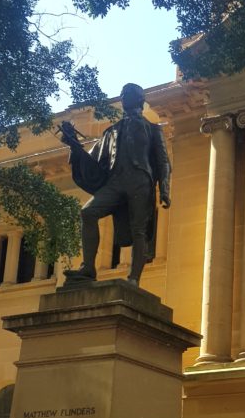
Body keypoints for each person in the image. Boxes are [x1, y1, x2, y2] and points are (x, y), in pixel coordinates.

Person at [59, 82, 171, 287]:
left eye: (127, 94)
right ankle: (88, 267)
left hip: (140, 181)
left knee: (139, 230)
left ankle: (134, 278)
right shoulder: (111, 132)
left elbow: (163, 161)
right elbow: (93, 161)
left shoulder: (153, 129)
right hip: (116, 181)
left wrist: (164, 188)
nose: (123, 97)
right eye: (121, 94)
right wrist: (73, 143)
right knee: (88, 212)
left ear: (140, 99)